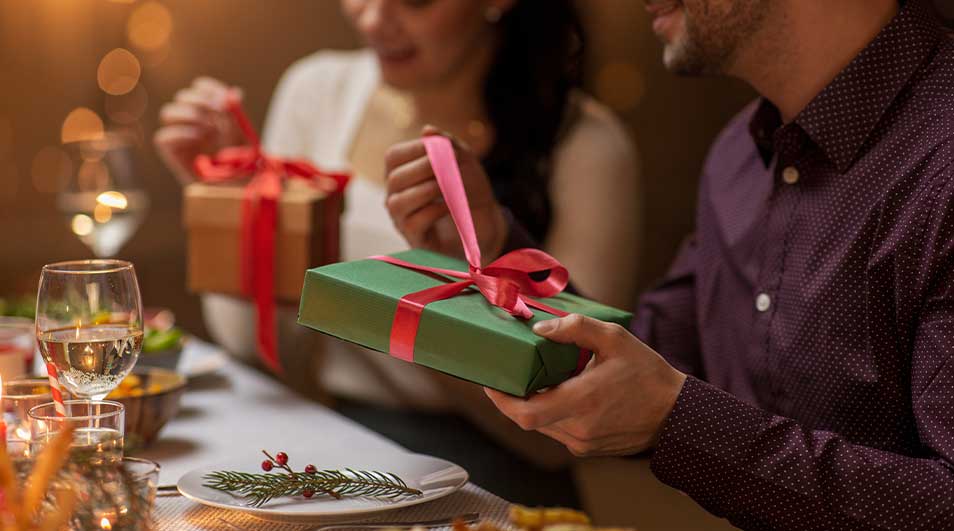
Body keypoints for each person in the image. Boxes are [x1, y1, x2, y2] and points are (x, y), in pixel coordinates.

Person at [384, 0, 954, 528]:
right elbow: (645, 362)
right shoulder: (739, 157)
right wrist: (496, 248)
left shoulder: (940, 161)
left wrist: (678, 420)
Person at [154, 0, 640, 505]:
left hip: (504, 473)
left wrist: (439, 281)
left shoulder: (587, 145)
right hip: (341, 447)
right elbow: (266, 355)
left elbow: (566, 431)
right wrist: (235, 210)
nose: (372, 19)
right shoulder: (318, 92)